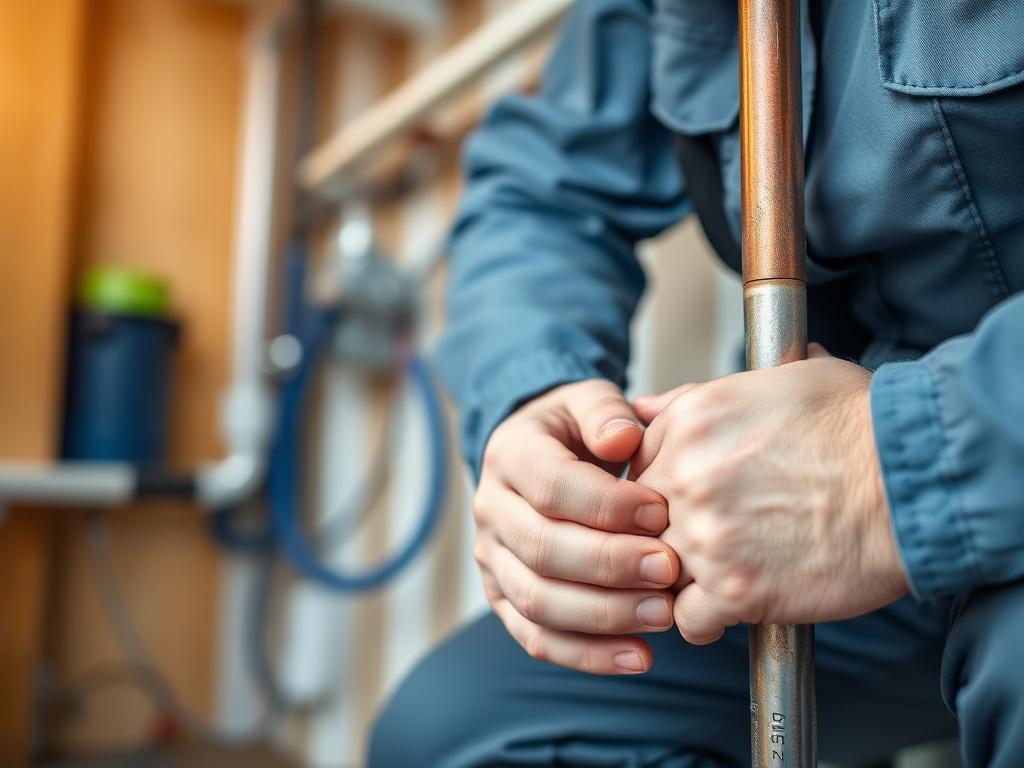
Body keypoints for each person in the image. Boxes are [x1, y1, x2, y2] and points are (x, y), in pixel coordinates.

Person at [369, 0, 1024, 765]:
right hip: (840, 531)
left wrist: (901, 460)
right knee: (455, 734)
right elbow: (545, 187)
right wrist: (531, 395)